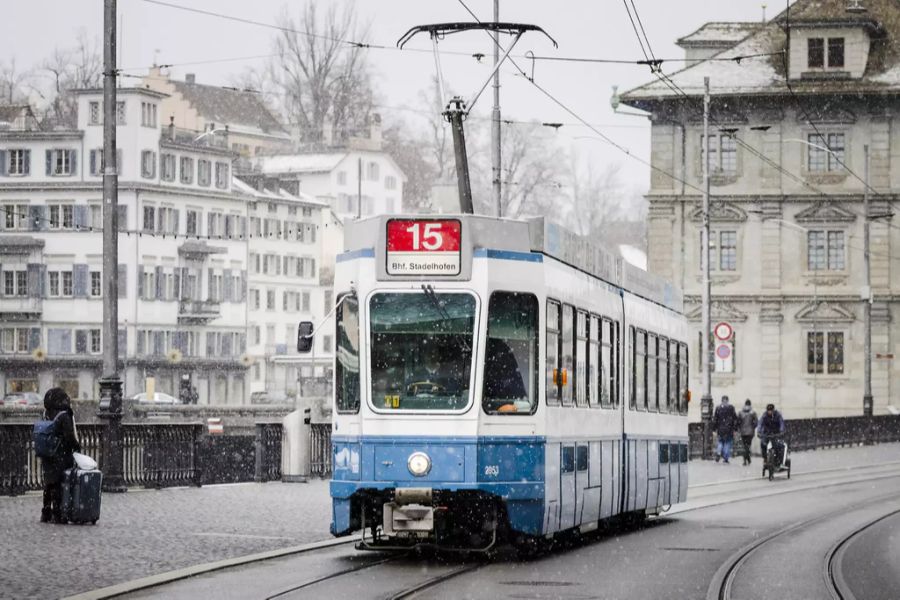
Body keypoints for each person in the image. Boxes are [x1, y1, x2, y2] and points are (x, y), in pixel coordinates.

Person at [39, 388, 81, 523]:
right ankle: (58, 514)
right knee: (59, 483)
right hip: (60, 454)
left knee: (49, 483)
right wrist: (76, 447)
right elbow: (69, 436)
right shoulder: (64, 415)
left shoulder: (47, 413)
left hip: (47, 453)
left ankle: (46, 512)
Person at [711, 395, 738, 463]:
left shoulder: (718, 408)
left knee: (720, 442)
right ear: (727, 400)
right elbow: (735, 419)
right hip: (729, 429)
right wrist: (735, 428)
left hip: (720, 429)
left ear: (722, 400)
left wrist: (714, 429)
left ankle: (719, 452)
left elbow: (715, 419)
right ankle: (725, 458)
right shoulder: (731, 408)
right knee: (727, 443)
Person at [738, 399, 758, 466]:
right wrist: (753, 427)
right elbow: (756, 422)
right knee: (748, 446)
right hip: (750, 432)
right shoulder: (753, 412)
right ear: (750, 404)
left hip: (743, 432)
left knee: (745, 446)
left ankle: (746, 459)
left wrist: (740, 428)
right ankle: (747, 459)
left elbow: (738, 422)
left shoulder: (740, 412)